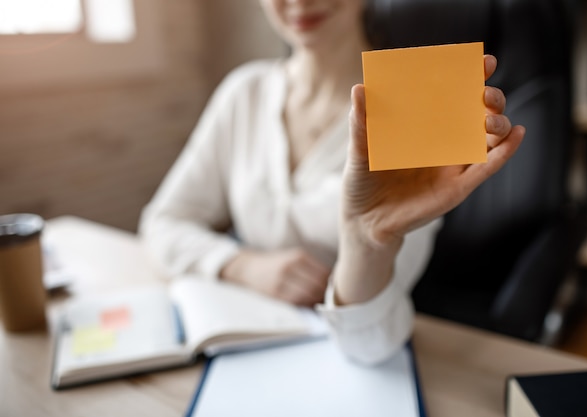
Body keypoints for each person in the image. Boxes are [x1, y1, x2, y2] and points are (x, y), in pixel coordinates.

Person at [138, 0, 524, 364]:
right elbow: (161, 224)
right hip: (244, 340)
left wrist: (364, 239)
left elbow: (373, 342)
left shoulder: (414, 104)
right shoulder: (245, 92)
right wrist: (242, 265)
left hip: (343, 357)